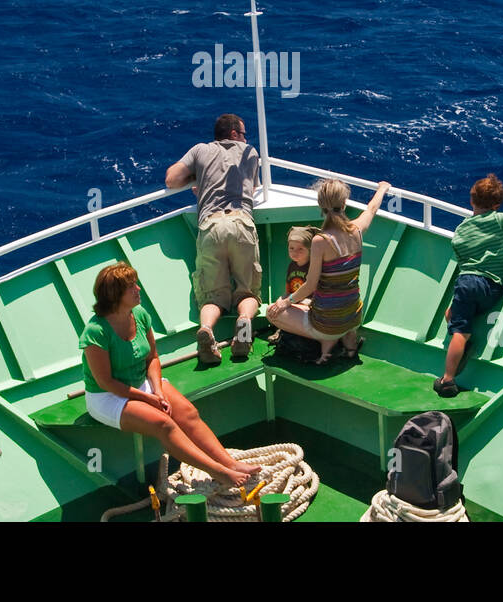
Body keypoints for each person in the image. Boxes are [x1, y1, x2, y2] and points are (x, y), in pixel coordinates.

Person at [81, 262, 259, 487]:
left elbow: (153, 358)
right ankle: (219, 472)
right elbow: (106, 382)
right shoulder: (95, 332)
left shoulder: (140, 315)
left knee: (188, 413)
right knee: (164, 423)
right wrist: (149, 399)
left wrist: (157, 390)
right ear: (115, 295)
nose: (138, 290)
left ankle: (230, 463)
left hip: (141, 383)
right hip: (107, 397)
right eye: (131, 287)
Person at [165, 113, 262, 364]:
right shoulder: (250, 153)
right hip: (241, 224)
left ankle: (207, 330)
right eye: (243, 133)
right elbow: (253, 188)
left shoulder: (200, 150)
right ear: (233, 134)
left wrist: (198, 178)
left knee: (212, 296)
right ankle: (243, 327)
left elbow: (172, 179)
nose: (245, 138)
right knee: (247, 292)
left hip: (210, 226)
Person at [434, 173, 503, 397]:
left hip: (466, 282)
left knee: (455, 322)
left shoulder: (461, 230)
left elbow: (461, 259)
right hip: (493, 287)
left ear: (471, 200)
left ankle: (448, 375)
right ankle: (448, 380)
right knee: (458, 326)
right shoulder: (501, 220)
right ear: (497, 205)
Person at [267, 179, 391, 364]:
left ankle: (326, 339)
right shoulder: (357, 229)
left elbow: (310, 285)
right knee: (335, 311)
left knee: (272, 312)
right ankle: (349, 346)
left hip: (327, 324)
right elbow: (371, 208)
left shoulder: (320, 241)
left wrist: (286, 302)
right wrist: (383, 188)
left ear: (321, 206)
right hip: (353, 315)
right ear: (344, 204)